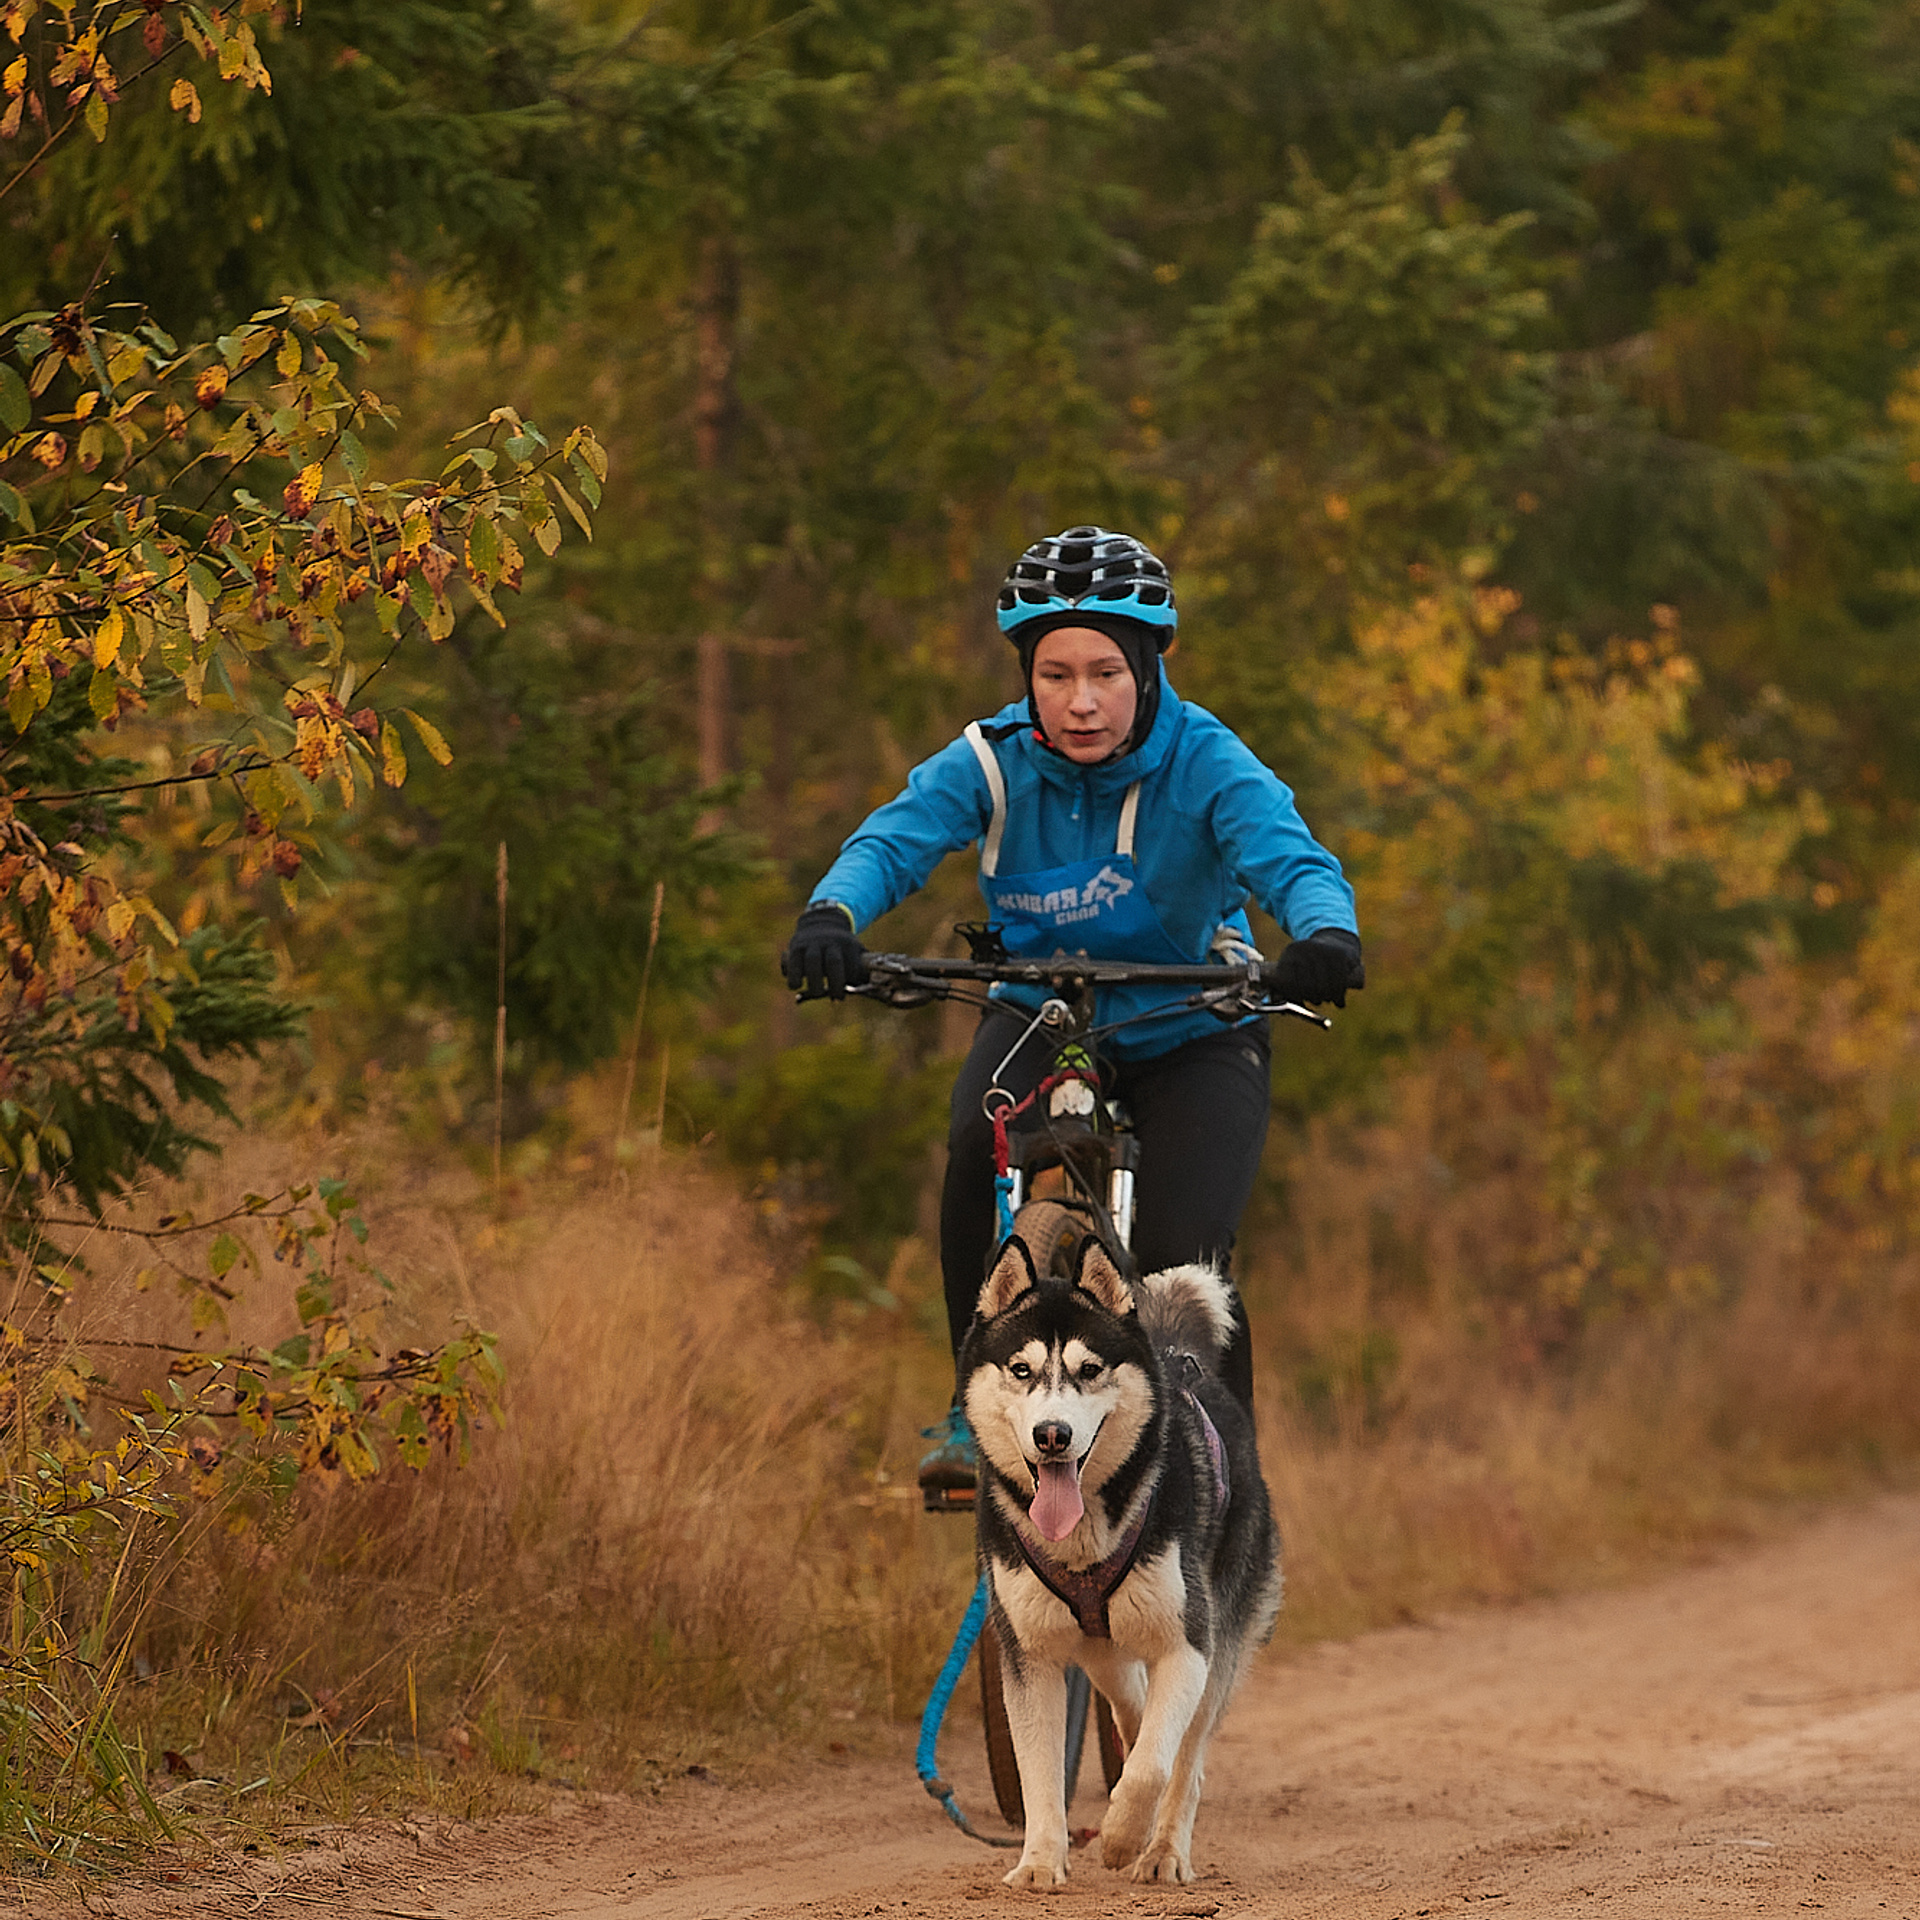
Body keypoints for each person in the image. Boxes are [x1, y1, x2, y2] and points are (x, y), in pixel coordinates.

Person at [781, 526, 1362, 1496]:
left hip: (1196, 1024)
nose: (1081, 700)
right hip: (1046, 1014)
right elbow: (894, 840)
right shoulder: (993, 760)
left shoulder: (1208, 761)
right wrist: (832, 913)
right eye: (1055, 674)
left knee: (1180, 1257)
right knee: (978, 1145)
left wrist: (1324, 935)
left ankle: (1225, 1469)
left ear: (1147, 669)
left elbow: (1292, 859)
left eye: (1105, 672)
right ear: (1027, 676)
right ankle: (974, 1406)